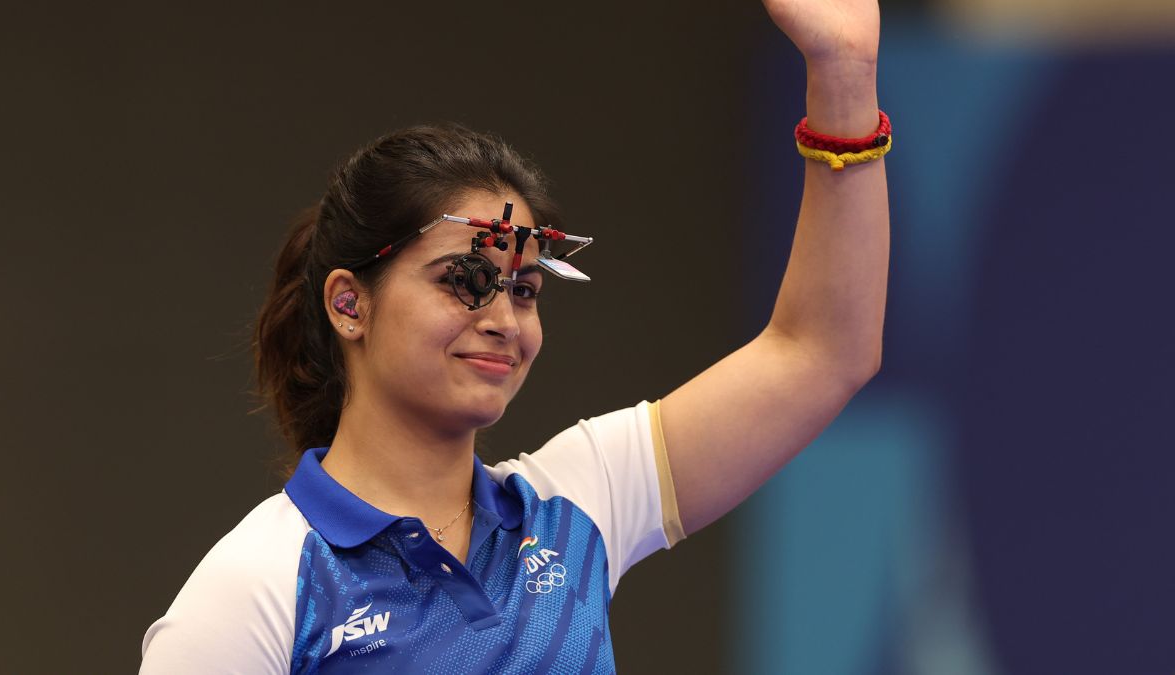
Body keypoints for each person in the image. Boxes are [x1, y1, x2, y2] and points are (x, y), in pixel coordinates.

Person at [139, 0, 888, 671]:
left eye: (525, 287)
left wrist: (844, 75)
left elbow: (821, 351)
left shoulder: (575, 505)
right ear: (348, 304)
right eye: (461, 280)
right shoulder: (259, 586)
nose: (503, 316)